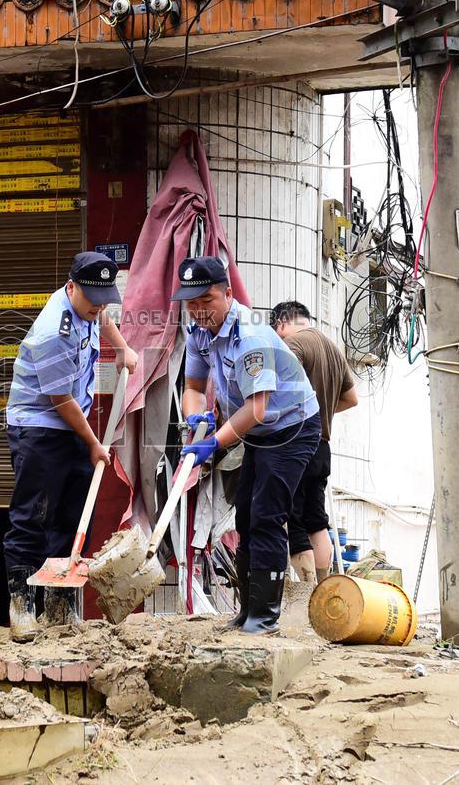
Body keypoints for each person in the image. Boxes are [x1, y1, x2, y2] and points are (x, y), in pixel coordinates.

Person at [173, 257, 320, 635]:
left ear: (228, 293)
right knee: (245, 518)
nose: (199, 309)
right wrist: (196, 418)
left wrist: (212, 445)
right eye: (191, 302)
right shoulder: (199, 331)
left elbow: (257, 408)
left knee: (267, 515)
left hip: (290, 427)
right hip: (255, 431)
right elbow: (192, 388)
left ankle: (265, 617)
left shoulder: (250, 336)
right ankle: (247, 609)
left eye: (206, 299)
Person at [4, 252, 138, 642]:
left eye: (104, 299)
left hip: (71, 424)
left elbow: (105, 318)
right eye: (92, 299)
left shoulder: (91, 308)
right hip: (39, 427)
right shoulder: (54, 332)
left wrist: (123, 348)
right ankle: (22, 607)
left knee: (72, 513)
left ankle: (59, 607)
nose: (98, 308)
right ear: (71, 286)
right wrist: (95, 444)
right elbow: (60, 401)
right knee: (32, 516)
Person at [270, 301, 358, 583]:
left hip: (295, 445)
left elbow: (281, 380)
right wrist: (319, 411)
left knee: (294, 523)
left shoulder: (293, 344)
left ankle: (309, 596)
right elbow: (351, 398)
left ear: (281, 324)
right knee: (316, 521)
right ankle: (325, 590)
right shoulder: (331, 348)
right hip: (321, 446)